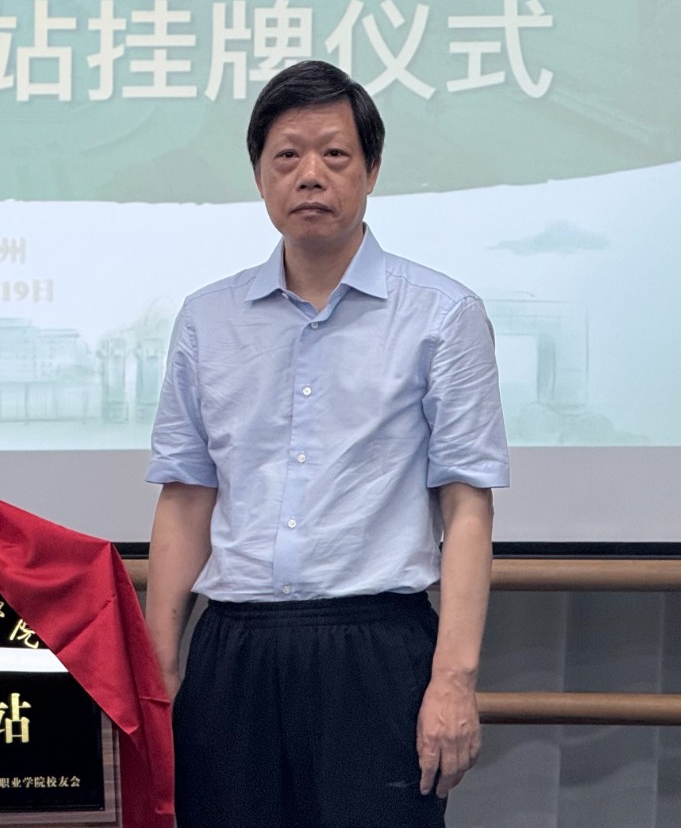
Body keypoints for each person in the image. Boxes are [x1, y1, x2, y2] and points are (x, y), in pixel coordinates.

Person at [145, 60, 509, 828]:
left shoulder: (442, 315)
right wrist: (161, 666)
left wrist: (453, 681)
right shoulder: (207, 320)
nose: (310, 174)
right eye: (287, 155)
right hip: (234, 652)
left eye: (335, 154)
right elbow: (185, 497)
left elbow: (466, 508)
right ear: (259, 174)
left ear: (371, 170)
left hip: (375, 650)